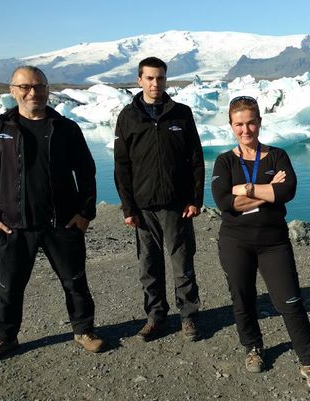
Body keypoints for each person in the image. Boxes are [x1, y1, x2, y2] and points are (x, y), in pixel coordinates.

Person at [0, 66, 103, 361]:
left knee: (75, 281)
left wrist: (85, 213)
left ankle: (84, 331)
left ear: (47, 89)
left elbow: (86, 171)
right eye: (25, 87)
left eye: (40, 86)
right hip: (13, 225)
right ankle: (4, 338)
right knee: (8, 285)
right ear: (13, 90)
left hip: (62, 222)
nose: (33, 92)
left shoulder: (66, 128)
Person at [211, 96, 310, 391]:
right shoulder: (225, 160)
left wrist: (246, 188)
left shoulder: (277, 156)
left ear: (260, 122)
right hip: (235, 241)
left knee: (290, 301)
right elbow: (225, 203)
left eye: (251, 122)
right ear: (231, 126)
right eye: (239, 124)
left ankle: (309, 362)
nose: (245, 129)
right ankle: (252, 347)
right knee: (243, 298)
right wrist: (267, 190)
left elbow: (287, 191)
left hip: (273, 242)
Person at [113, 57, 204, 342]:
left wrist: (195, 199)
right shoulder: (128, 117)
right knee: (149, 267)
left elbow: (196, 159)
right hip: (143, 207)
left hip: (177, 205)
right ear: (139, 80)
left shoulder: (181, 113)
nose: (155, 83)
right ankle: (155, 316)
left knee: (182, 264)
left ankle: (188, 316)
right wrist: (128, 207)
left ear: (166, 80)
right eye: (150, 78)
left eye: (160, 78)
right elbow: (122, 166)